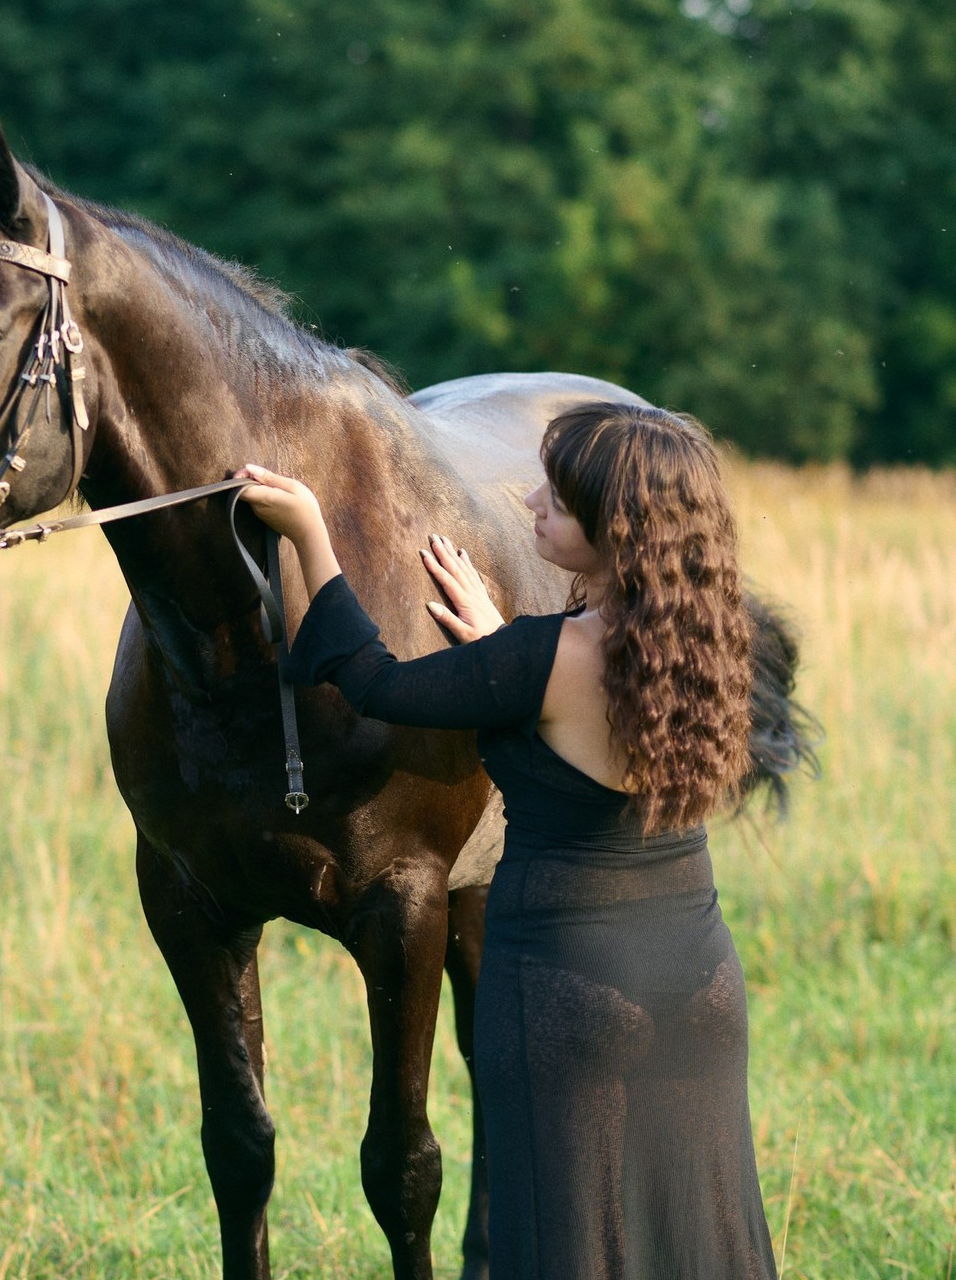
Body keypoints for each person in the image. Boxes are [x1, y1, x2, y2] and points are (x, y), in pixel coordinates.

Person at [237, 401, 779, 1280]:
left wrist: (310, 536)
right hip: (701, 987)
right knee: (694, 1234)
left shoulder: (544, 660)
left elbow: (372, 684)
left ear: (619, 531)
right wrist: (501, 650)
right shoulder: (710, 648)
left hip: (567, 996)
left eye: (557, 501)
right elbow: (576, 704)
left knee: (567, 1242)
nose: (529, 501)